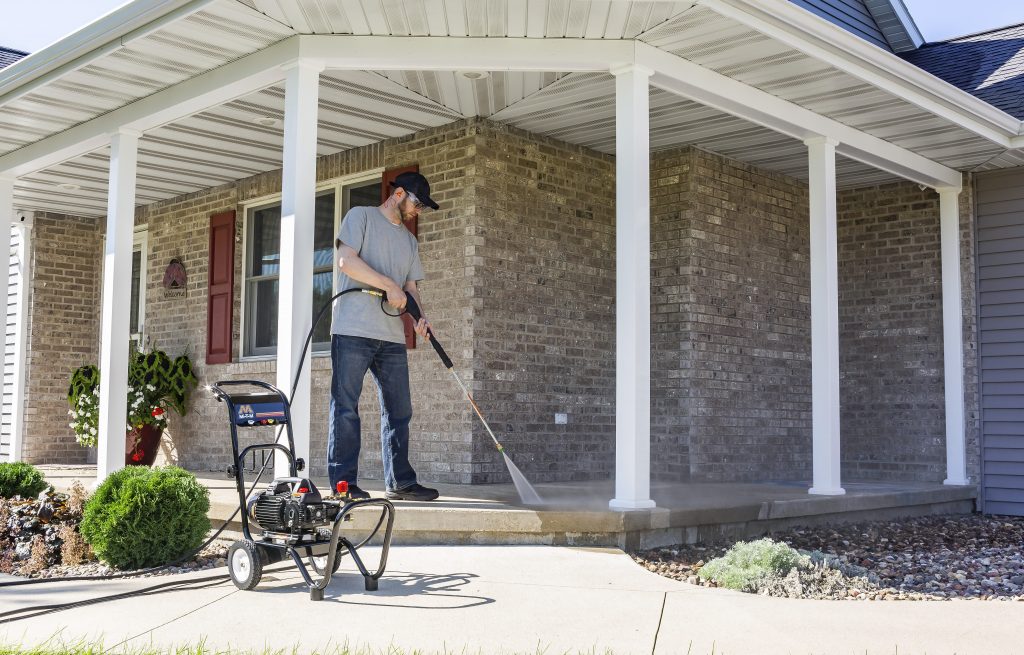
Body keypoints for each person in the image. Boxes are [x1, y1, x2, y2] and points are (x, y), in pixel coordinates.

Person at [328, 171, 440, 501]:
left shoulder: (409, 241)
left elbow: (411, 288)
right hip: (352, 330)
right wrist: (387, 284)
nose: (419, 210)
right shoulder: (360, 216)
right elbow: (346, 261)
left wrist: (421, 318)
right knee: (346, 406)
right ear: (399, 193)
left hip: (391, 336)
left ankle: (400, 482)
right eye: (418, 203)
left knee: (399, 410)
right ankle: (343, 485)